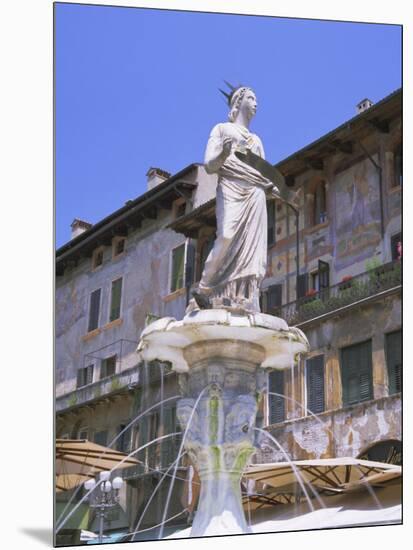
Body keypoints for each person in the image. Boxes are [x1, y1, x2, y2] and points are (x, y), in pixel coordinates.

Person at [191, 86, 278, 313]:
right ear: (238, 102)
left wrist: (271, 187)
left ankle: (246, 295)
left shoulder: (257, 141)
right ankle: (205, 288)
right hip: (230, 186)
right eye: (251, 97)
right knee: (227, 235)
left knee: (253, 248)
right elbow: (210, 165)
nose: (256, 102)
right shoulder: (221, 129)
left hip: (255, 193)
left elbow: (263, 172)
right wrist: (223, 153)